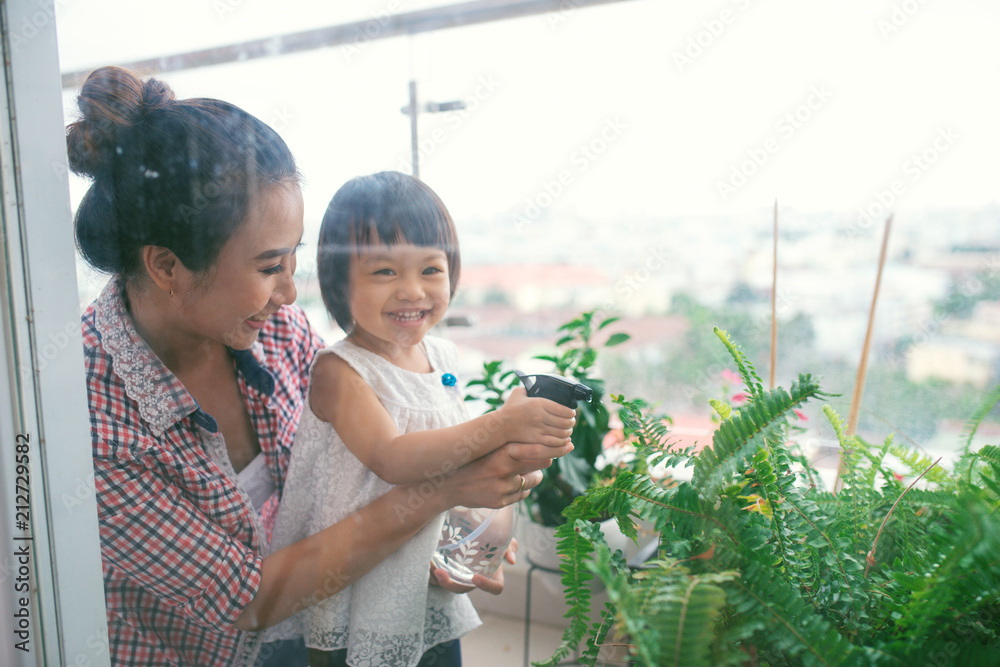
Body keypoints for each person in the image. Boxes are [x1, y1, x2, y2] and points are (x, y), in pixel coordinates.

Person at [68, 66, 571, 667]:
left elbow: (350, 482)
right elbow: (246, 602)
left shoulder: (275, 332)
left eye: (293, 259)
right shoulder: (88, 416)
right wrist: (441, 491)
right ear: (167, 266)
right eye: (267, 266)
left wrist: (442, 536)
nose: (289, 293)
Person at [265, 171, 577, 667]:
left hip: (424, 586)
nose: (412, 291)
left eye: (431, 270)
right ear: (338, 283)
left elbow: (454, 469)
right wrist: (501, 424)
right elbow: (395, 460)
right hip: (355, 596)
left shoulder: (445, 358)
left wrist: (481, 537)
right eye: (385, 272)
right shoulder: (339, 371)